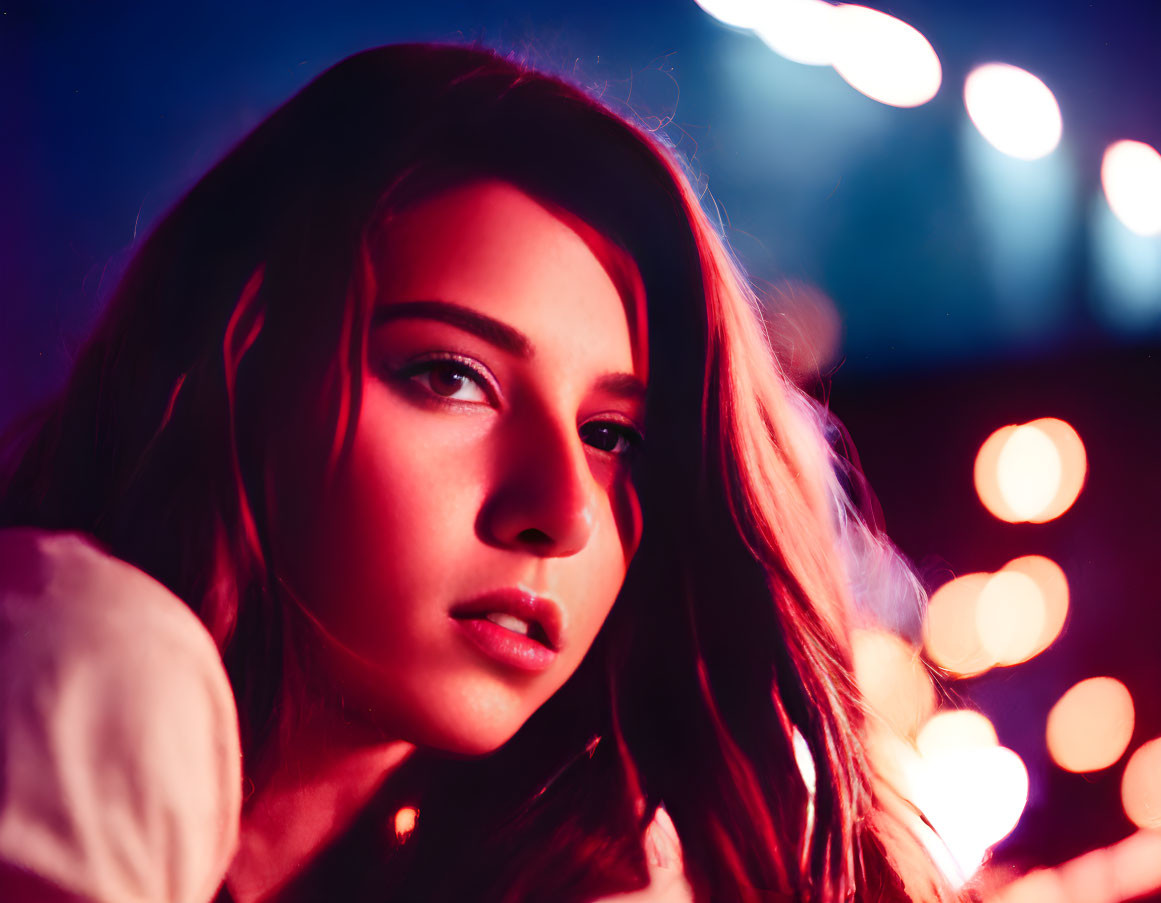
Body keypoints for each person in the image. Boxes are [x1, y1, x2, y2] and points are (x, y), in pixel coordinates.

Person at [0, 43, 959, 902]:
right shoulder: (86, 653)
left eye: (612, 435)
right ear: (240, 367)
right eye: (452, 376)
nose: (563, 511)